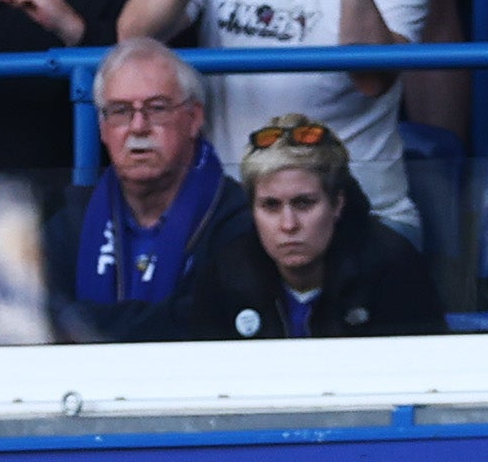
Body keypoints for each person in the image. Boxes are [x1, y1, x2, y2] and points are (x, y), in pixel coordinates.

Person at [169, 120, 443, 339]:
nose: (289, 224)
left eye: (304, 203)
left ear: (337, 204)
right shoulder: (225, 273)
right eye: (271, 206)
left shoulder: (392, 266)